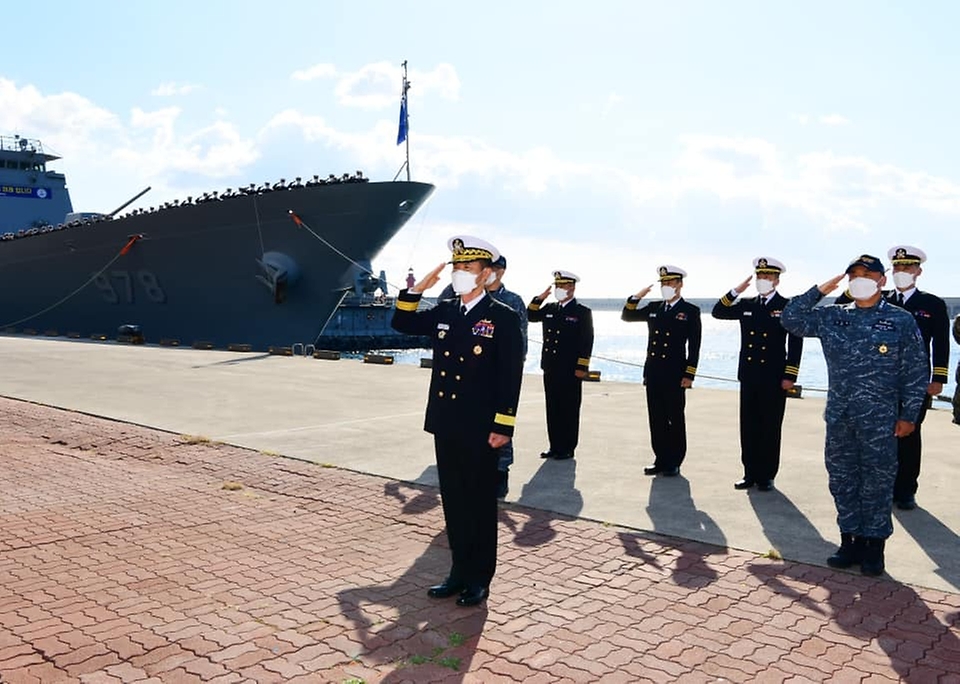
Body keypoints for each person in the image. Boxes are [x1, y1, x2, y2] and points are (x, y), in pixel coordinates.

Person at [391, 235, 523, 607]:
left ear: (487, 275)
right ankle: (457, 573)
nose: (460, 273)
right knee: (453, 502)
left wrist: (503, 426)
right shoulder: (446, 311)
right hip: (447, 422)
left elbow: (509, 376)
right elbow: (401, 323)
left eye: (468, 268)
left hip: (482, 428)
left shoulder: (502, 317)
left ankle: (480, 578)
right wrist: (416, 291)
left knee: (479, 503)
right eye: (456, 267)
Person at [781, 254, 928, 576]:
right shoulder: (833, 317)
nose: (860, 278)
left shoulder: (900, 320)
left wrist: (909, 415)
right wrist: (819, 291)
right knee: (843, 480)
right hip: (841, 416)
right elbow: (790, 319)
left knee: (877, 483)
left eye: (867, 273)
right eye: (854, 275)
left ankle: (875, 547)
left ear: (881, 280)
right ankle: (850, 541)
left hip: (881, 419)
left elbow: (916, 372)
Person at [711, 257, 803, 492]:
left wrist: (790, 375)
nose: (763, 280)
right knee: (749, 425)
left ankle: (766, 475)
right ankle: (749, 472)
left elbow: (795, 342)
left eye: (768, 276)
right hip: (749, 374)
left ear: (777, 280)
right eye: (760, 276)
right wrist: (735, 291)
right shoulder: (747, 304)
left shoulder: (786, 305)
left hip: (774, 377)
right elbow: (718, 311)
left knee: (770, 426)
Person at [439, 255, 528, 498]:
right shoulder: (458, 293)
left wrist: (512, 370)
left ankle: (501, 473)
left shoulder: (512, 302)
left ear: (501, 272)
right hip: (464, 376)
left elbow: (520, 341)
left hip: (495, 376)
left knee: (498, 428)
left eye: (497, 269)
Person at [884, 246, 951, 510]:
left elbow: (941, 344)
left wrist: (939, 378)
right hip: (882, 380)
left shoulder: (932, 304)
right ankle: (885, 487)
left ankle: (906, 490)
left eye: (907, 268)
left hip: (915, 382)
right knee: (883, 436)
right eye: (897, 268)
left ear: (918, 271)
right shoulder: (881, 300)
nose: (902, 272)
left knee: (910, 434)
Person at [621, 265, 702, 477]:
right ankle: (660, 458)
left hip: (676, 373)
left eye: (670, 282)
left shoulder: (690, 311)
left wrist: (689, 374)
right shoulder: (654, 307)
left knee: (674, 417)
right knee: (656, 417)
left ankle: (674, 461)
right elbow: (627, 316)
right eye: (663, 283)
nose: (666, 286)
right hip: (654, 370)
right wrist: (637, 296)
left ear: (680, 284)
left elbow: (694, 345)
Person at [527, 270, 594, 461]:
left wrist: (582, 366)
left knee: (569, 409)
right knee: (553, 407)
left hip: (571, 369)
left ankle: (567, 447)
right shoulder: (549, 309)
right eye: (557, 286)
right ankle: (554, 445)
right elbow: (530, 315)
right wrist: (538, 299)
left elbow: (586, 340)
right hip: (551, 366)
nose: (559, 289)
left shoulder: (582, 312)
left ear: (572, 287)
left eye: (562, 286)